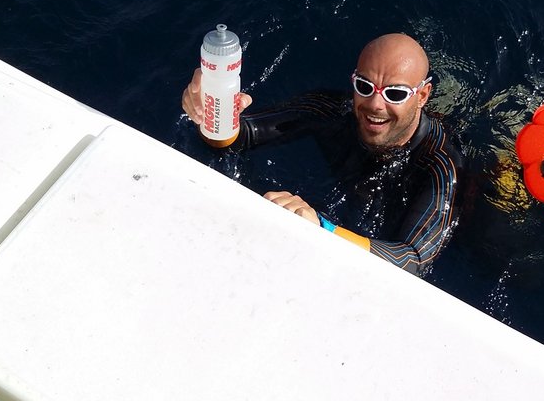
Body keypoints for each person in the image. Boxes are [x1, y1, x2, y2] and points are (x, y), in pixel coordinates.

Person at [182, 33, 464, 276]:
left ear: (423, 95)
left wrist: (321, 227)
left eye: (396, 94)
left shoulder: (440, 164)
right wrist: (212, 111)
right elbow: (238, 138)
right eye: (364, 87)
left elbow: (412, 260)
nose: (376, 104)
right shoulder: (332, 110)